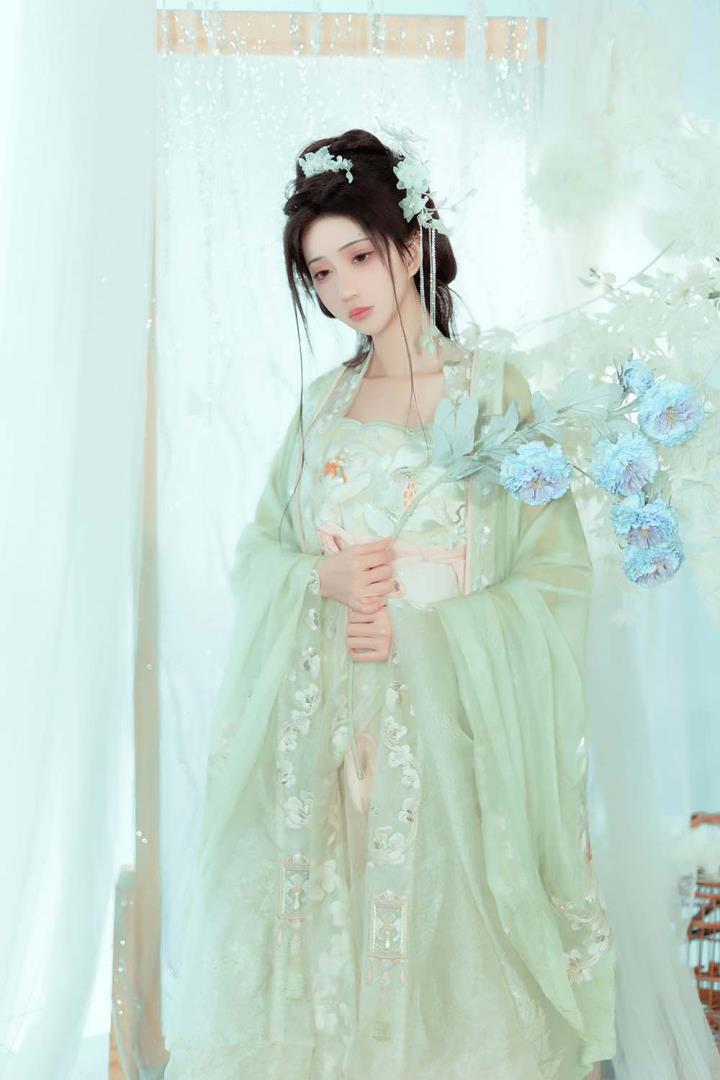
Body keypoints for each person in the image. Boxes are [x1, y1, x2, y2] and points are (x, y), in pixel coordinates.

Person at [163, 129, 615, 1079]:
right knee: (328, 961)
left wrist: (425, 633)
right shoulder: (322, 406)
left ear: (411, 247)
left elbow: (556, 576)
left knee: (448, 971)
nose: (342, 290)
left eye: (358, 257)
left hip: (448, 731)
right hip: (322, 730)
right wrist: (315, 580)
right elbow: (259, 552)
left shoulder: (493, 393)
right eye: (321, 273)